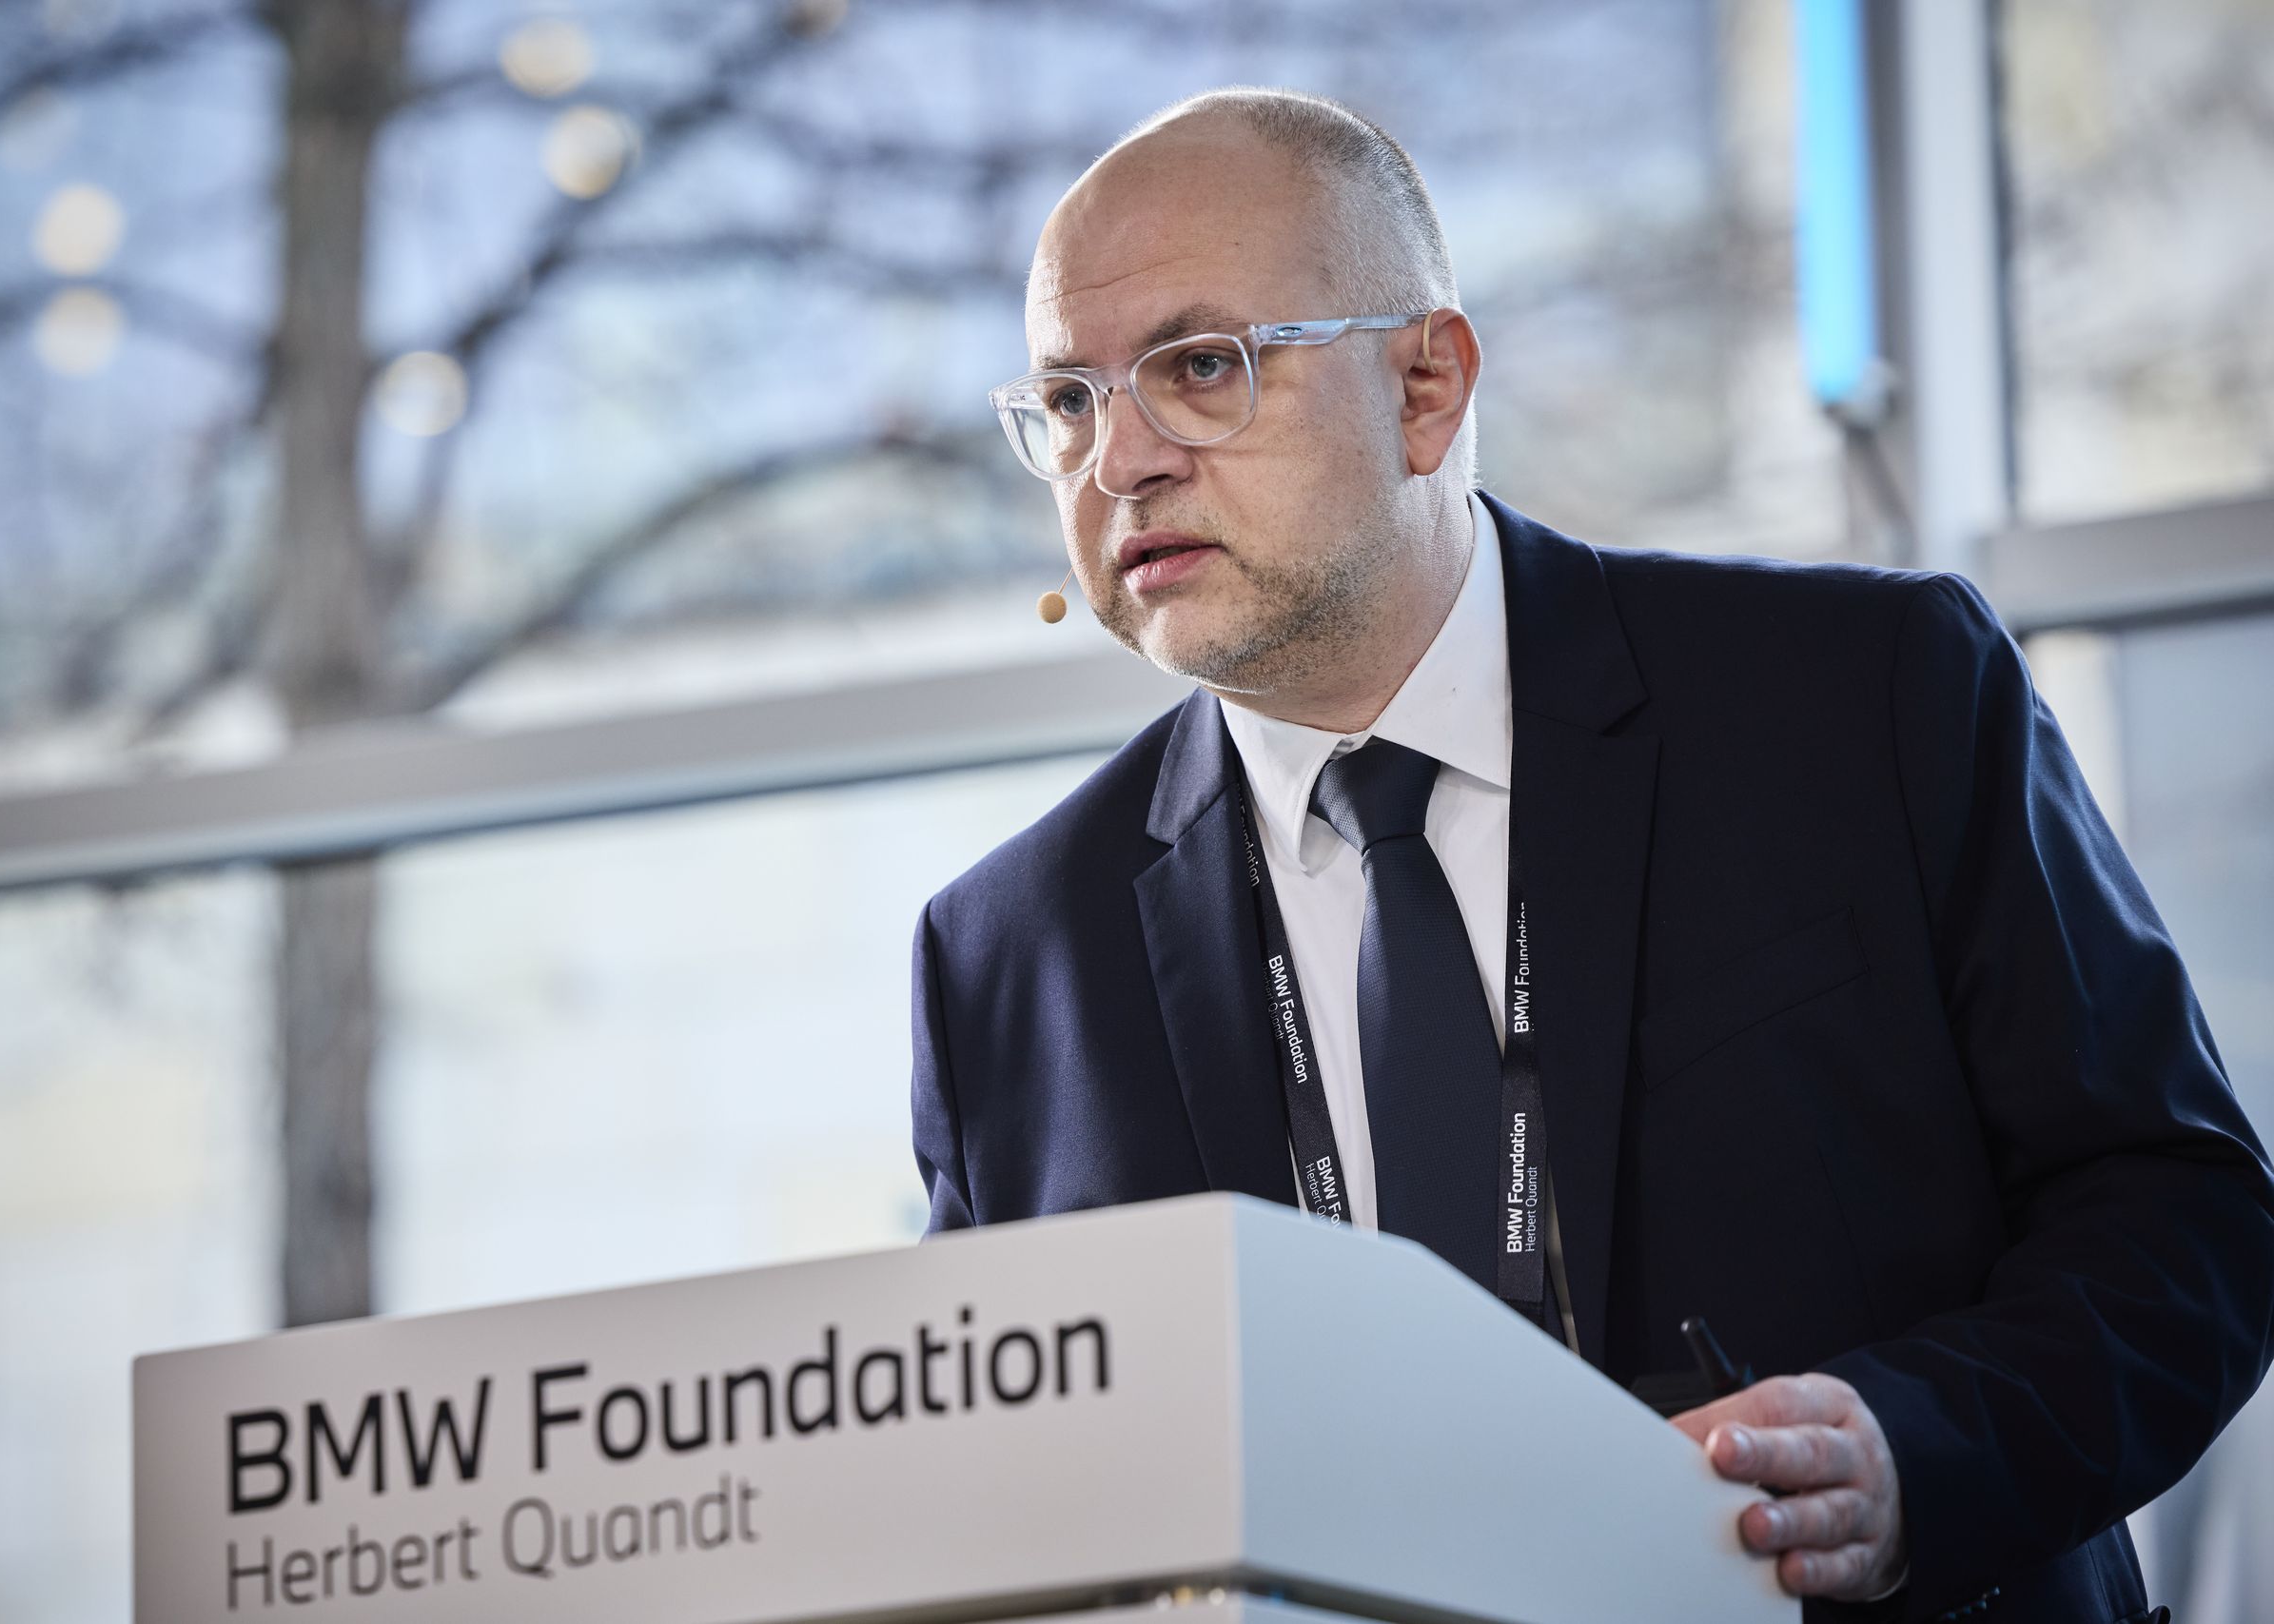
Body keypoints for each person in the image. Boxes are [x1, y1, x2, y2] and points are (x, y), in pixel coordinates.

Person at [906, 86, 2272, 1624]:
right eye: (1068, 401)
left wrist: (1912, 1456)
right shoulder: (1005, 958)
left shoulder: (1862, 699)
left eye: (1201, 368)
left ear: (1427, 384)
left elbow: (2186, 1223)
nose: (1117, 464)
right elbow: (995, 1502)